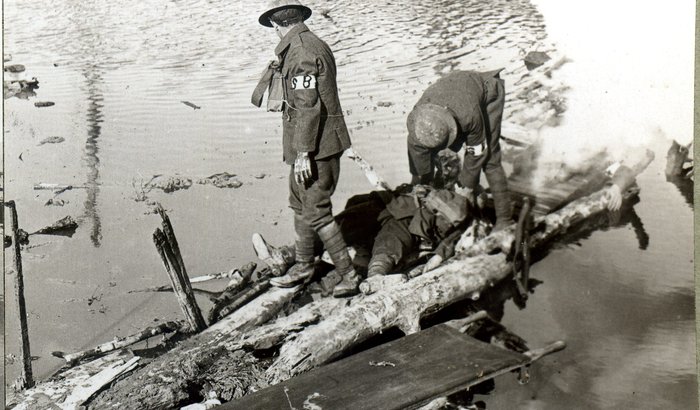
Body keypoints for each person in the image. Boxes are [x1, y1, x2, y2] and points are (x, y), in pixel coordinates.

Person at [254, 0, 359, 297]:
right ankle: (303, 265)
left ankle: (349, 274)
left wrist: (303, 153)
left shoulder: (300, 52)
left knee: (318, 212)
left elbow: (308, 106)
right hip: (313, 142)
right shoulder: (310, 44)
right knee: (300, 203)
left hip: (316, 147)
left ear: (276, 26)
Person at [406, 69, 513, 230]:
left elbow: (477, 151)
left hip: (487, 91)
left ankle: (505, 220)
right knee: (431, 168)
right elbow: (418, 156)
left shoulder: (469, 117)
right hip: (454, 91)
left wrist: (467, 186)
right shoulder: (417, 123)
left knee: (490, 159)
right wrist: (420, 183)